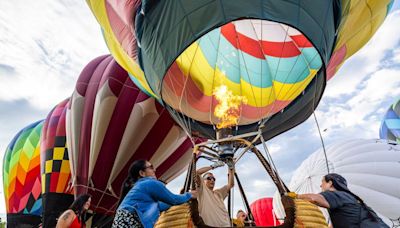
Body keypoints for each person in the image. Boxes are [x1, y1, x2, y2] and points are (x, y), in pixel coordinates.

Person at [112, 160, 197, 228]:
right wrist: (189, 195)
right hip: (129, 221)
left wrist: (182, 198)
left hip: (122, 221)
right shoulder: (149, 183)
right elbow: (173, 200)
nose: (155, 170)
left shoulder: (140, 188)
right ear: (142, 173)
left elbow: (161, 206)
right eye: (151, 167)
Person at [287, 173, 388, 228]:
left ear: (330, 183)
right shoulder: (351, 199)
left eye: (322, 182)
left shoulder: (337, 195)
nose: (320, 185)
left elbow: (314, 199)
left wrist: (296, 196)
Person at [196, 160, 234, 227]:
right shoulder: (202, 190)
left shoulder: (219, 193)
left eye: (213, 179)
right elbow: (197, 173)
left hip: (226, 225)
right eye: (209, 178)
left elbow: (231, 184)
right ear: (203, 181)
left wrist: (231, 168)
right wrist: (213, 166)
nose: (212, 180)